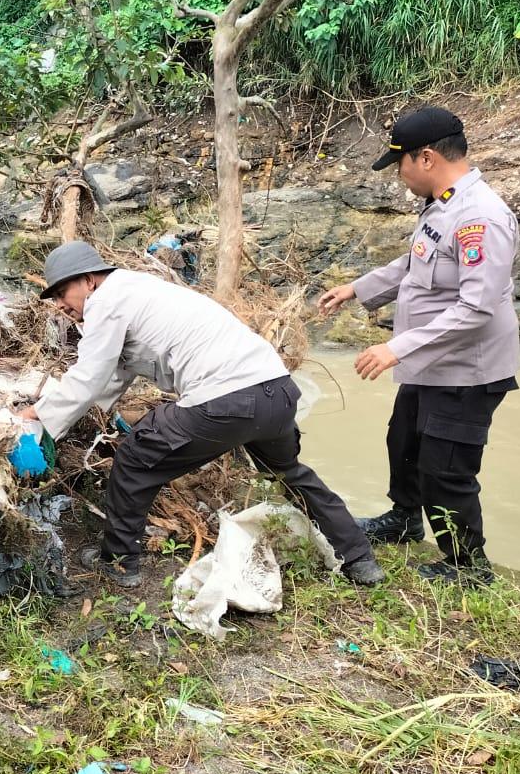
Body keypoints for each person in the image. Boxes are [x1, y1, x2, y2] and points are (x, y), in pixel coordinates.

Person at [20, 241, 385, 589]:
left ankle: (119, 562)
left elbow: (89, 374)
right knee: (289, 472)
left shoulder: (106, 301)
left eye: (61, 293)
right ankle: (359, 558)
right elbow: (113, 375)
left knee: (134, 460)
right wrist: (81, 419)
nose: (59, 305)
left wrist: (37, 414)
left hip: (226, 400)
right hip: (277, 391)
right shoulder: (140, 290)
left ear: (88, 280)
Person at [317, 106, 519, 586]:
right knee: (403, 441)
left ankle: (467, 566)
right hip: (432, 363)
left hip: (467, 371)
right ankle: (404, 518)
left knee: (445, 469)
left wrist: (398, 347)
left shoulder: (481, 217)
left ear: (426, 158)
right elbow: (415, 263)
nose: (399, 176)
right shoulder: (443, 206)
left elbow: (476, 307)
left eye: (401, 165)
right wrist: (357, 289)